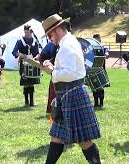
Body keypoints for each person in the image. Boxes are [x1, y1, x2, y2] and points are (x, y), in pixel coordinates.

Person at [42, 14, 101, 164]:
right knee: (57, 137)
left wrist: (52, 71)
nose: (49, 38)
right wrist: (54, 67)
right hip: (68, 96)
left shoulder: (67, 45)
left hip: (73, 96)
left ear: (57, 30)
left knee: (84, 141)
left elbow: (71, 73)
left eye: (49, 34)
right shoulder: (67, 42)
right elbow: (68, 69)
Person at [12, 25, 40, 107]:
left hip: (32, 62)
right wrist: (19, 54)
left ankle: (32, 101)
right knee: (25, 82)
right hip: (23, 63)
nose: (27, 34)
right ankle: (26, 101)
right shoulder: (20, 41)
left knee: (32, 82)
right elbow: (14, 52)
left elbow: (37, 52)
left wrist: (36, 57)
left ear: (31, 32)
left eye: (28, 32)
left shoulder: (35, 41)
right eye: (25, 32)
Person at [39, 41, 58, 115]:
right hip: (56, 74)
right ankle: (53, 110)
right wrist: (47, 64)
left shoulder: (66, 43)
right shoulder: (51, 44)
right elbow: (42, 57)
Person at [92, 34, 109, 108]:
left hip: (101, 70)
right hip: (93, 70)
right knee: (94, 87)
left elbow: (107, 53)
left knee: (101, 87)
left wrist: (105, 54)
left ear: (100, 39)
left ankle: (101, 104)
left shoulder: (103, 47)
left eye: (97, 40)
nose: (96, 41)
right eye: (95, 40)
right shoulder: (91, 48)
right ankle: (96, 103)